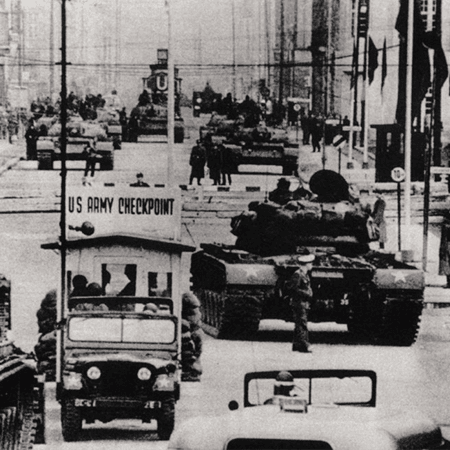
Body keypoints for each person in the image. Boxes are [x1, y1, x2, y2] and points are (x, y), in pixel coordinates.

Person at [284, 253, 315, 353]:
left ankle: (296, 345)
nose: (312, 265)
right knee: (302, 323)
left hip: (303, 302)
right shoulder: (298, 274)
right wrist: (306, 294)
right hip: (299, 302)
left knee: (300, 323)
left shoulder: (304, 274)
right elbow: (293, 288)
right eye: (311, 263)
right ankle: (304, 345)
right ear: (306, 264)